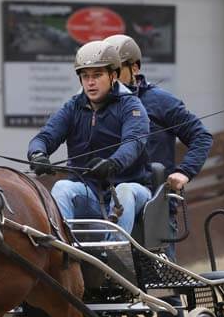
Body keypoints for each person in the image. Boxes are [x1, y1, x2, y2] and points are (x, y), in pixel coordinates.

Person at [104, 34, 214, 257]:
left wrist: (184, 172)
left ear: (134, 68)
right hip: (105, 205)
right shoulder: (95, 106)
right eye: (107, 71)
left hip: (153, 208)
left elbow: (201, 136)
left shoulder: (160, 101)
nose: (111, 77)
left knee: (164, 286)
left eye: (116, 69)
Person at [27, 40, 152, 235]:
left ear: (113, 75)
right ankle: (63, 253)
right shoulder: (73, 107)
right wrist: (37, 154)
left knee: (124, 190)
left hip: (133, 193)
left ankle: (115, 255)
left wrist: (112, 164)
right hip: (91, 195)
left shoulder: (132, 106)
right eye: (85, 76)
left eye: (97, 75)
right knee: (62, 187)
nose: (90, 82)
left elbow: (133, 143)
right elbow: (45, 136)